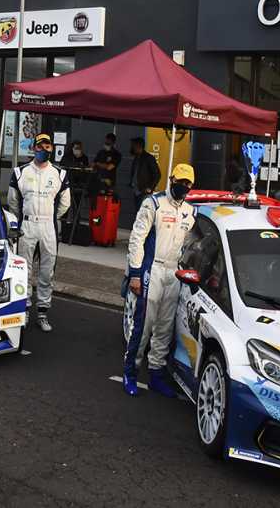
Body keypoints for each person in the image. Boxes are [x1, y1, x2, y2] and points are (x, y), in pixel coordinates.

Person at [122, 163, 197, 398]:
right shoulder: (153, 203)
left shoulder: (191, 212)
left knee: (165, 329)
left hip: (174, 274)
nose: (183, 186)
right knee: (143, 326)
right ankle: (130, 373)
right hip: (151, 270)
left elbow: (191, 247)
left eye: (187, 183)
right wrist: (135, 273)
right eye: (180, 181)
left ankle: (156, 374)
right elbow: (136, 239)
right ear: (171, 179)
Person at [8, 133, 71, 332]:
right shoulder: (20, 172)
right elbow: (12, 202)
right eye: (40, 146)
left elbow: (65, 203)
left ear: (51, 148)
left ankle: (42, 313)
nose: (44, 149)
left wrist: (50, 218)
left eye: (47, 146)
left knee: (47, 271)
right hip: (27, 226)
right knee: (24, 270)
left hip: (48, 227)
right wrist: (22, 219)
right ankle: (24, 310)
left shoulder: (59, 174)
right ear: (34, 148)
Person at [128, 137, 162, 209]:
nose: (131, 147)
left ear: (138, 146)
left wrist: (150, 187)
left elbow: (157, 174)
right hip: (137, 191)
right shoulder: (136, 158)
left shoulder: (148, 158)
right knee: (137, 211)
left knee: (143, 211)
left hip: (144, 192)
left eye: (133, 145)